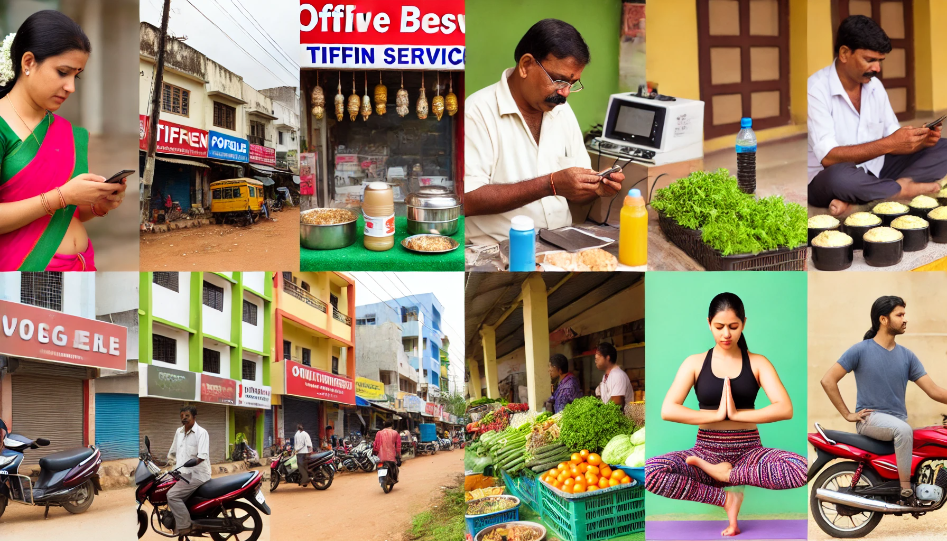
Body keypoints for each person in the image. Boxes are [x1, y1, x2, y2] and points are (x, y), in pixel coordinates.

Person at [645, 293, 806, 537]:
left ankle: (728, 475)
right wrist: (717, 416)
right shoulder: (695, 363)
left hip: (749, 452)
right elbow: (668, 410)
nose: (726, 334)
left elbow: (785, 408)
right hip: (705, 452)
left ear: (744, 323)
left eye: (733, 326)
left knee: (802, 469)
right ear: (709, 323)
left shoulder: (758, 362)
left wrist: (737, 415)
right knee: (651, 472)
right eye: (719, 327)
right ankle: (725, 498)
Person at [464, 19, 625, 245]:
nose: (565, 93)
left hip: (560, 247)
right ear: (526, 65)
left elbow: (574, 193)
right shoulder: (477, 112)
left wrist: (596, 187)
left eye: (573, 83)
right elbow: (467, 200)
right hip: (496, 254)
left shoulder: (562, 112)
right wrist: (550, 184)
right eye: (559, 80)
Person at [0, 10, 127, 271]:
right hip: (26, 270)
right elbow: (60, 200)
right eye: (62, 72)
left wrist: (98, 205)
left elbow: (65, 215)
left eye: (76, 75)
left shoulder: (67, 133)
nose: (71, 87)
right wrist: (63, 195)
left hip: (82, 266)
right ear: (28, 62)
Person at [808, 15, 945, 216]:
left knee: (944, 148)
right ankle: (901, 191)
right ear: (845, 53)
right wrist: (891, 143)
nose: (877, 69)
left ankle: (869, 199)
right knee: (839, 178)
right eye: (870, 60)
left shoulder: (875, 87)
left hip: (877, 169)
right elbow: (829, 157)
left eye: (880, 61)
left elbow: (893, 138)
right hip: (828, 178)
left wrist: (919, 140)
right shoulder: (816, 89)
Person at [820, 296, 947, 500]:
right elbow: (828, 380)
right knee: (903, 430)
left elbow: (934, 391)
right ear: (883, 319)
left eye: (904, 314)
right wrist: (848, 414)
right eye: (900, 315)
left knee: (924, 436)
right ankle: (905, 490)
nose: (905, 319)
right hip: (871, 419)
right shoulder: (861, 350)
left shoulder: (907, 356)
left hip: (896, 423)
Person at [167, 405, 211, 536]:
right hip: (181, 474)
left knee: (172, 496)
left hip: (196, 474)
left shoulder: (202, 433)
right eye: (181, 416)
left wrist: (191, 463)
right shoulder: (179, 432)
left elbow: (202, 457)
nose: (184, 418)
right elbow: (173, 452)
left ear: (194, 417)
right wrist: (168, 462)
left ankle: (186, 526)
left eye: (187, 416)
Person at [594, 342, 634, 409]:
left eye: (599, 355)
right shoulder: (606, 376)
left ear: (608, 358)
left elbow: (616, 404)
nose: (596, 358)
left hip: (622, 418)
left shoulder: (618, 375)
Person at [373, 420, 402, 484]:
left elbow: (376, 444)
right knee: (395, 466)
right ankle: (393, 478)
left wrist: (375, 452)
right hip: (391, 456)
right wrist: (399, 455)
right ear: (392, 425)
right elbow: (398, 446)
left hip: (381, 456)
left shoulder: (379, 433)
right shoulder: (395, 433)